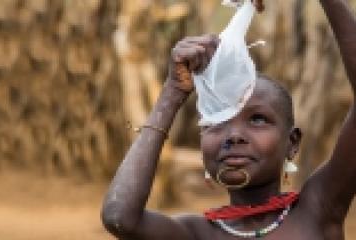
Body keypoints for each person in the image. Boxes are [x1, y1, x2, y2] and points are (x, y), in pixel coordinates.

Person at [101, 0, 356, 239]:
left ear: (292, 143)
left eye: (257, 119)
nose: (233, 135)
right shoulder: (195, 233)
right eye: (215, 121)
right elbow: (119, 217)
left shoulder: (318, 210)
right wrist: (173, 91)